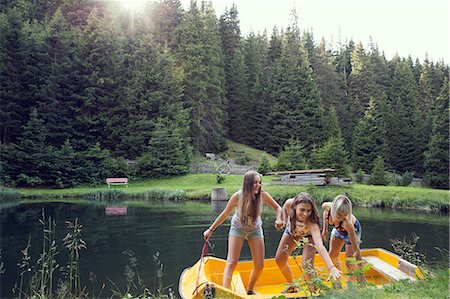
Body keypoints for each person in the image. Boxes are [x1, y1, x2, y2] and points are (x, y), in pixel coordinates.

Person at [203, 171, 283, 295]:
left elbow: (278, 208)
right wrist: (211, 229)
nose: (258, 185)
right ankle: (226, 293)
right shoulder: (238, 196)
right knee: (231, 262)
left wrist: (278, 219)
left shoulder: (263, 196)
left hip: (255, 230)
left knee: (259, 264)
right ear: (247, 183)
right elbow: (225, 214)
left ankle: (250, 290)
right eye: (255, 182)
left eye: (259, 182)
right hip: (238, 229)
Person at [274, 193, 342, 293]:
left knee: (306, 265)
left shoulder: (312, 222)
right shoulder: (289, 203)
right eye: (302, 210)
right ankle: (292, 286)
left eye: (308, 210)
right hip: (293, 229)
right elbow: (284, 208)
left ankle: (313, 291)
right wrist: (283, 220)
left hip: (309, 235)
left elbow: (320, 246)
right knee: (280, 260)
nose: (305, 214)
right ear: (295, 206)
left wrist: (331, 268)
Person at [322, 194, 364, 281]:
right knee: (332, 255)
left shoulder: (347, 223)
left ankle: (352, 285)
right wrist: (325, 230)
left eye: (343, 216)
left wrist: (361, 271)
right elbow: (326, 213)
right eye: (338, 215)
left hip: (351, 231)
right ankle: (337, 281)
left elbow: (356, 248)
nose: (340, 218)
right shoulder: (326, 206)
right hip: (338, 230)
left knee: (349, 261)